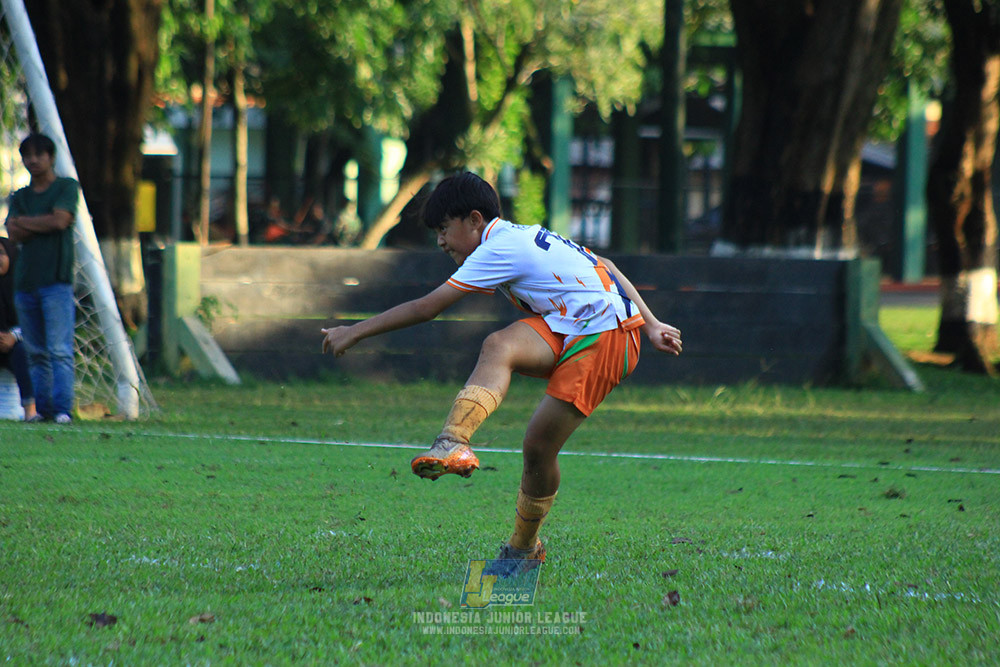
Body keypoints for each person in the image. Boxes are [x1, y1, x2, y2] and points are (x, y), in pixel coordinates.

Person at [321, 172, 682, 576]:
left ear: (475, 219)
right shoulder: (514, 235)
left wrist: (353, 331)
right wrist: (651, 323)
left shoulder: (498, 247)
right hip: (572, 324)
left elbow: (428, 307)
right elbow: (607, 265)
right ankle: (453, 443)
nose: (440, 241)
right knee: (499, 345)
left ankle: (523, 548)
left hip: (607, 335)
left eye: (444, 228)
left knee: (537, 447)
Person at [4, 133, 79, 424]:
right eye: (27, 155)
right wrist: (41, 222)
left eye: (39, 154)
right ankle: (43, 410)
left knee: (59, 350)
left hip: (56, 282)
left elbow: (62, 219)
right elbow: (13, 232)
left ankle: (63, 409)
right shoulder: (20, 196)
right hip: (25, 283)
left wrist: (25, 222)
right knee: (35, 351)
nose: (33, 160)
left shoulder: (66, 187)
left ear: (51, 157)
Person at [0, 237, 38, 421]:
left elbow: (32, 321)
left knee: (23, 353)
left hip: (14, 342)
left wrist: (13, 337)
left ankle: (30, 411)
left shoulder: (22, 287)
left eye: (1, 253)